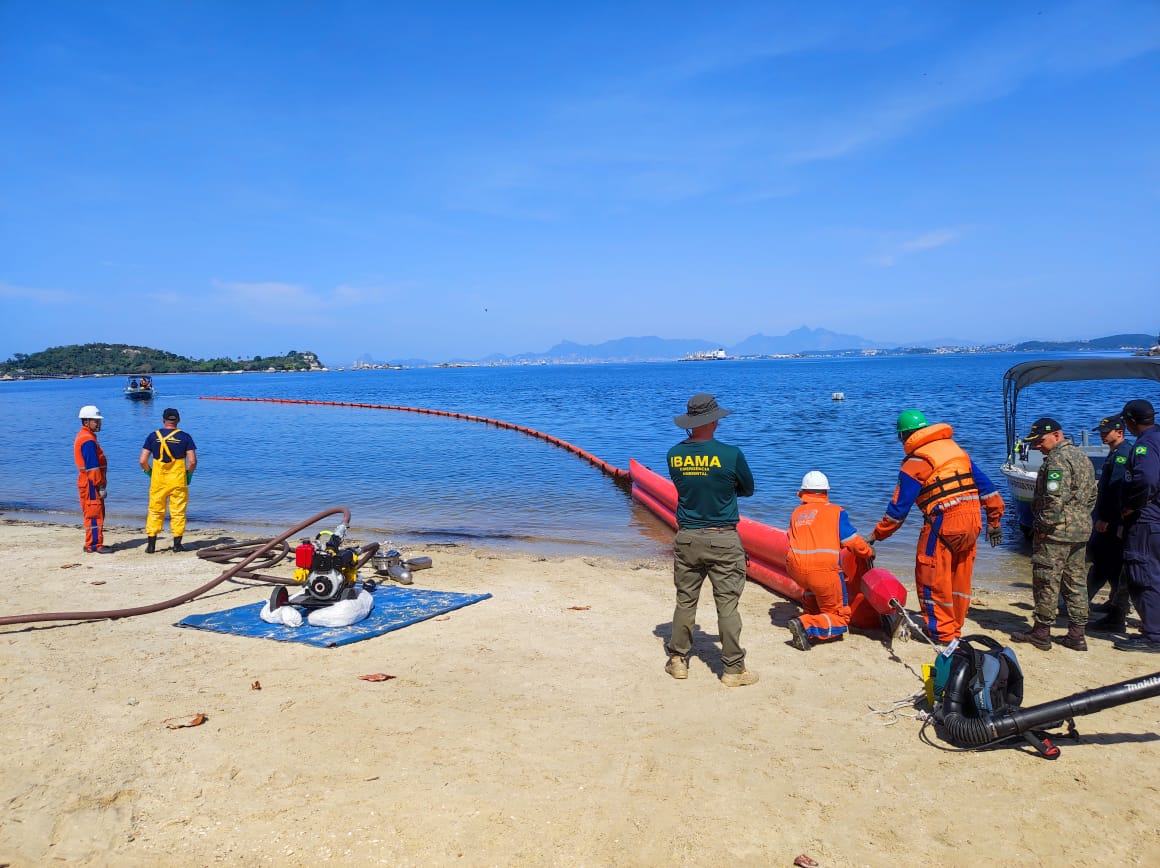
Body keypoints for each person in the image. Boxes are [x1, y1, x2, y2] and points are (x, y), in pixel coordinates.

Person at [871, 410, 1005, 643]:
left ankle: (941, 633)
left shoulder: (916, 462)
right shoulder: (956, 452)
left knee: (931, 577)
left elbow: (898, 510)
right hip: (973, 522)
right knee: (959, 578)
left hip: (944, 524)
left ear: (904, 436)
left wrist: (876, 535)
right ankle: (955, 628)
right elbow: (988, 488)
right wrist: (994, 521)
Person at [664, 393, 758, 686]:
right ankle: (733, 669)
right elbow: (748, 489)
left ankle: (678, 661)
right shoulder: (731, 454)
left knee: (685, 600)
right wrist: (725, 490)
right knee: (727, 604)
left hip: (688, 537)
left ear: (690, 423)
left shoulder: (674, 455)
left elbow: (687, 487)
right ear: (714, 421)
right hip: (723, 538)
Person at [1011, 418, 1097, 651]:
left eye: (1040, 441)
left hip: (1056, 533)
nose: (1037, 446)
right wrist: (1079, 518)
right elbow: (1092, 495)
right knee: (1076, 580)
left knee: (1046, 580)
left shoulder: (1057, 461)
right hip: (1080, 530)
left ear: (1057, 435)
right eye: (1034, 442)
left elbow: (1053, 499)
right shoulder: (1082, 457)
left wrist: (1042, 526)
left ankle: (1041, 632)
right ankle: (1077, 634)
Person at [785, 471, 875, 650]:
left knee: (812, 591)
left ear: (803, 492)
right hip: (823, 570)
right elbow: (852, 542)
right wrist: (868, 552)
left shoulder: (797, 513)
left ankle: (810, 615)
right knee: (840, 619)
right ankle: (805, 625)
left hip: (795, 569)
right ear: (826, 491)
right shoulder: (835, 512)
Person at [1113, 399, 1160, 653]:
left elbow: (1146, 479)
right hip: (1155, 518)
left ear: (1131, 421)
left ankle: (1154, 635)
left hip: (1146, 519)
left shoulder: (1145, 445)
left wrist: (1132, 505)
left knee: (1143, 575)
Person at [1086, 414, 1133, 632]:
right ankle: (1115, 603)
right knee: (1111, 564)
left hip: (1111, 521)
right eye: (1102, 432)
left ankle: (1084, 602)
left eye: (1107, 432)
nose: (1103, 435)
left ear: (1120, 432)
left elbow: (1116, 490)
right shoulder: (1116, 452)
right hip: (1109, 518)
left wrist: (1105, 518)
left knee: (1102, 561)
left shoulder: (1122, 455)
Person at [139, 407, 197, 553]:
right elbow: (192, 461)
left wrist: (149, 472)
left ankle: (151, 545)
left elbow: (142, 460)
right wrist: (189, 475)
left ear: (163, 420)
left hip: (158, 481)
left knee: (155, 510)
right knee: (178, 512)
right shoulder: (185, 437)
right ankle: (177, 545)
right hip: (178, 481)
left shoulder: (153, 436)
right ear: (178, 420)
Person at [74, 405, 112, 554]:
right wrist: (100, 486)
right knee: (94, 513)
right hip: (91, 483)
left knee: (93, 513)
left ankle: (92, 542)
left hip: (88, 481)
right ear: (86, 421)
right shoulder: (87, 440)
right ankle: (94, 545)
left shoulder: (87, 437)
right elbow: (92, 467)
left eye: (98, 421)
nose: (99, 423)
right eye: (96, 421)